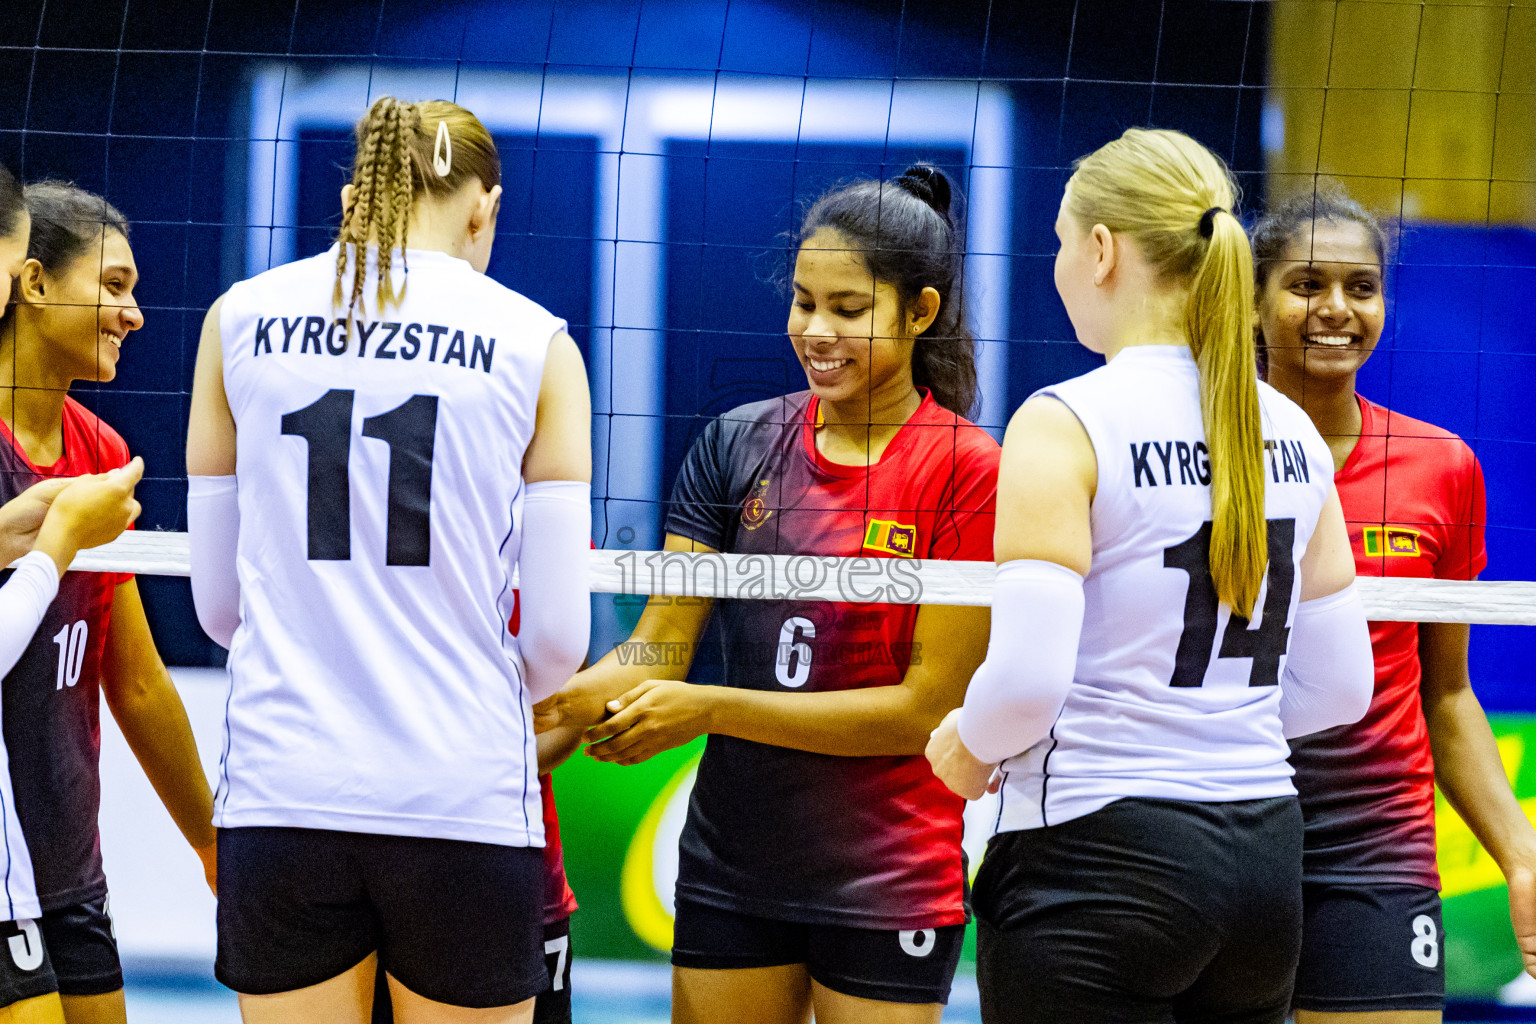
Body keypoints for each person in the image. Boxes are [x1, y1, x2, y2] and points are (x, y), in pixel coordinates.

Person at [925, 128, 1375, 1024]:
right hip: (1262, 863)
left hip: (1095, 855)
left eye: (1060, 241)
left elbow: (1025, 682)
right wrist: (1205, 731)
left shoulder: (1065, 420)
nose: (1056, 265)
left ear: (1102, 252)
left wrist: (967, 750)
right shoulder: (1288, 427)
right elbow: (1341, 687)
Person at [536, 165, 1000, 1024]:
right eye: (803, 302)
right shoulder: (738, 443)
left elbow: (920, 711)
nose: (815, 330)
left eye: (848, 310)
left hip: (886, 875)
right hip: (731, 865)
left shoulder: (970, 470)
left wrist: (709, 708)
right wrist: (536, 718)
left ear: (921, 312)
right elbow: (657, 645)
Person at [186, 95, 591, 1024]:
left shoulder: (238, 318)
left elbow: (219, 607)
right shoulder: (536, 342)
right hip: (460, 795)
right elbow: (560, 641)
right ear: (483, 206)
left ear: (353, 193)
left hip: (283, 792)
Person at [1253, 187, 1536, 1023]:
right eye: (1306, 284)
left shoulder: (1440, 466)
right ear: (1254, 300)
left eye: (1361, 286)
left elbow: (1445, 693)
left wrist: (1520, 858)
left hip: (1377, 843)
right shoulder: (1197, 458)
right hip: (1223, 823)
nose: (1337, 309)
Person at [0, 181, 217, 1024]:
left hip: (69, 870)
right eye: (114, 285)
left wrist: (208, 842)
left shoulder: (102, 453)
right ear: (34, 282)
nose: (134, 314)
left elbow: (135, 682)